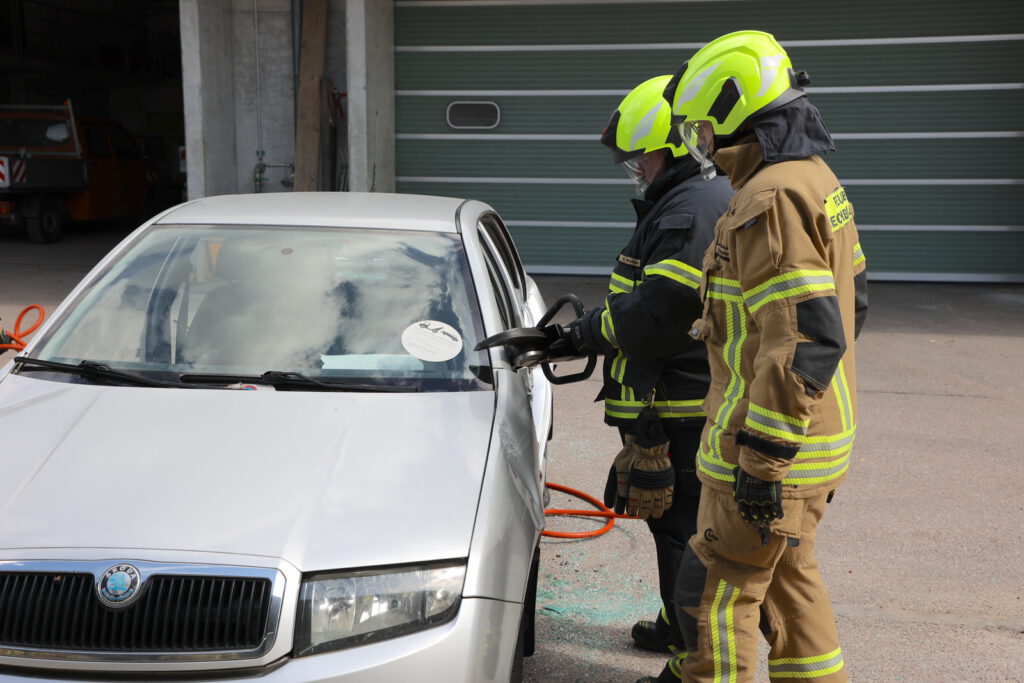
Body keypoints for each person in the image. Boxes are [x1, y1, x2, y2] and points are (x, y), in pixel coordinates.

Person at [644, 30, 869, 682]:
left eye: (701, 126)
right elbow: (852, 303)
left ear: (733, 111)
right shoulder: (815, 178)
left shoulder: (767, 198)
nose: (699, 141)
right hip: (813, 444)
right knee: (792, 587)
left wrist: (764, 460)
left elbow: (804, 336)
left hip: (766, 452)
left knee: (713, 596)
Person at [563, 74, 732, 668]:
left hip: (679, 403)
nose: (636, 168)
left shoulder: (688, 210)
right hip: (676, 395)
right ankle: (674, 620)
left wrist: (584, 333)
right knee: (677, 525)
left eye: (643, 156)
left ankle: (690, 652)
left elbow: (661, 312)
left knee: (681, 528)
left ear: (677, 147)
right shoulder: (691, 198)